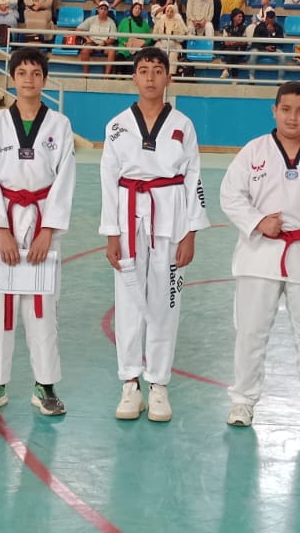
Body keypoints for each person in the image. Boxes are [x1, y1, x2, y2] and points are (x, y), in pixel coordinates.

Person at [221, 81, 300, 429]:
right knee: (250, 333)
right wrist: (259, 222)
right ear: (274, 111)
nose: (293, 117)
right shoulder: (254, 151)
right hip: (259, 254)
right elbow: (230, 195)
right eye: (286, 110)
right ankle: (243, 401)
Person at [100, 48, 208, 422]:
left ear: (168, 78)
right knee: (129, 300)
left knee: (166, 302)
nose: (150, 77)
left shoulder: (183, 125)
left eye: (157, 70)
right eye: (143, 70)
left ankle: (159, 383)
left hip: (171, 217)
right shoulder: (117, 126)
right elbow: (107, 181)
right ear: (133, 77)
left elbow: (194, 177)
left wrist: (191, 231)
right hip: (128, 216)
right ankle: (130, 382)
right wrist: (111, 233)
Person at [0, 49, 76, 417]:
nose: (29, 79)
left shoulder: (59, 124)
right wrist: (0, 229)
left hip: (43, 220)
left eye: (36, 73)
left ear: (44, 79)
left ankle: (45, 385)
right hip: (6, 221)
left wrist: (48, 230)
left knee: (42, 307)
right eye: (22, 72)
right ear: (12, 78)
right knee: (1, 307)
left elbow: (65, 178)